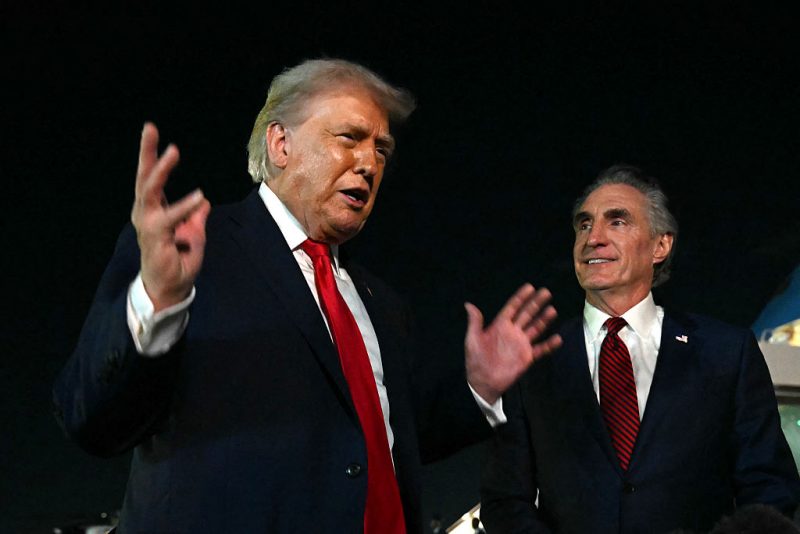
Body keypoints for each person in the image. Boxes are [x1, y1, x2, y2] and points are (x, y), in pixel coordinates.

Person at [52, 58, 562, 533]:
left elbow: (379, 445)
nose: (369, 163)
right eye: (349, 138)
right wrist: (157, 301)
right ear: (280, 144)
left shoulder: (381, 304)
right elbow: (92, 419)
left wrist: (477, 389)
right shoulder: (192, 252)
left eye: (382, 150)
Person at [479, 164, 800, 533]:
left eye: (617, 221)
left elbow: (769, 485)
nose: (593, 238)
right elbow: (504, 499)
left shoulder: (726, 352)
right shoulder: (533, 362)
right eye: (584, 224)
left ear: (660, 246)